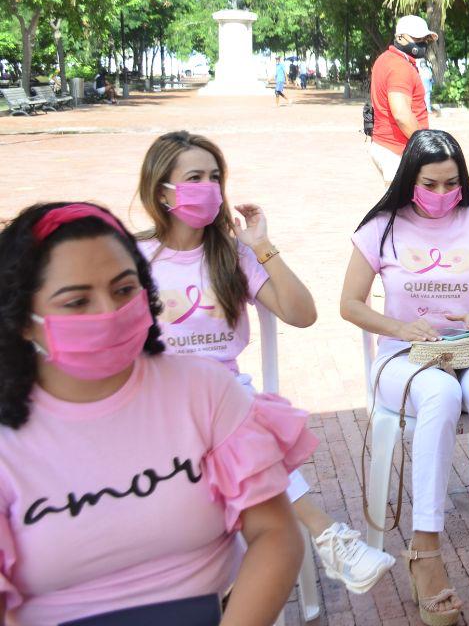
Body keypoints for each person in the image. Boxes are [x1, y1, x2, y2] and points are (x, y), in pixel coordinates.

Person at [0, 201, 314, 625]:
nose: (107, 312)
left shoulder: (203, 391)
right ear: (22, 318)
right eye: (76, 302)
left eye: (124, 289)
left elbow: (275, 534)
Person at [135, 130, 397, 593]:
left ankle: (287, 555)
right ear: (162, 189)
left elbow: (303, 314)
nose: (209, 187)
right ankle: (325, 534)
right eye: (194, 177)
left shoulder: (230, 254)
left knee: (231, 416)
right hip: (155, 401)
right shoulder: (134, 259)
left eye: (215, 177)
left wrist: (261, 246)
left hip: (226, 397)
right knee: (235, 425)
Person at [339, 129, 469, 624]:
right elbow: (349, 304)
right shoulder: (381, 228)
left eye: (452, 183)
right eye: (432, 183)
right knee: (441, 398)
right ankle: (424, 550)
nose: (443, 193)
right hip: (403, 354)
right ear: (410, 179)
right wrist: (400, 326)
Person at [369, 15, 435, 184]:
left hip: (386, 146)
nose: (423, 43)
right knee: (404, 208)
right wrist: (424, 146)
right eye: (418, 38)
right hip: (397, 151)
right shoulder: (400, 67)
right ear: (400, 38)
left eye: (425, 39)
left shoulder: (385, 59)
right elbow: (401, 114)